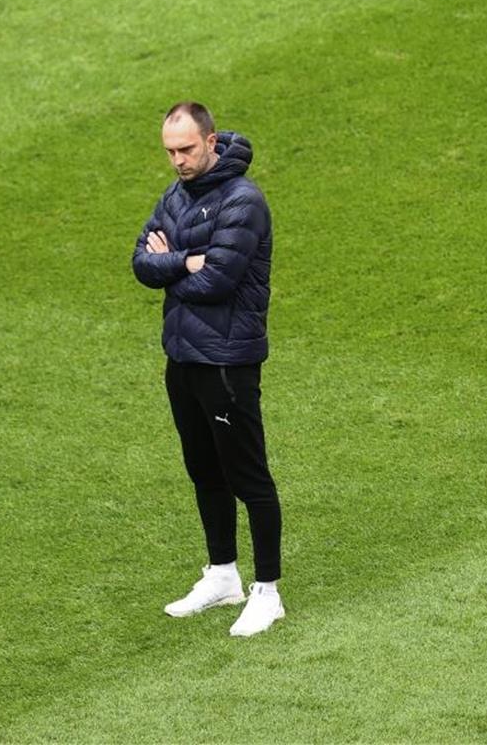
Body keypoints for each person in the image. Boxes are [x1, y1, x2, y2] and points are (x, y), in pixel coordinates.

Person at [131, 101, 284, 637]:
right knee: (204, 470)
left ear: (212, 141)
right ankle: (223, 575)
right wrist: (182, 262)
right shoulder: (175, 195)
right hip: (183, 358)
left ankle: (267, 592)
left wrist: (173, 263)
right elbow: (140, 262)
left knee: (249, 476)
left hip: (227, 361)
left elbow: (217, 280)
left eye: (186, 149)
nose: (177, 160)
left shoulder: (244, 201)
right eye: (170, 151)